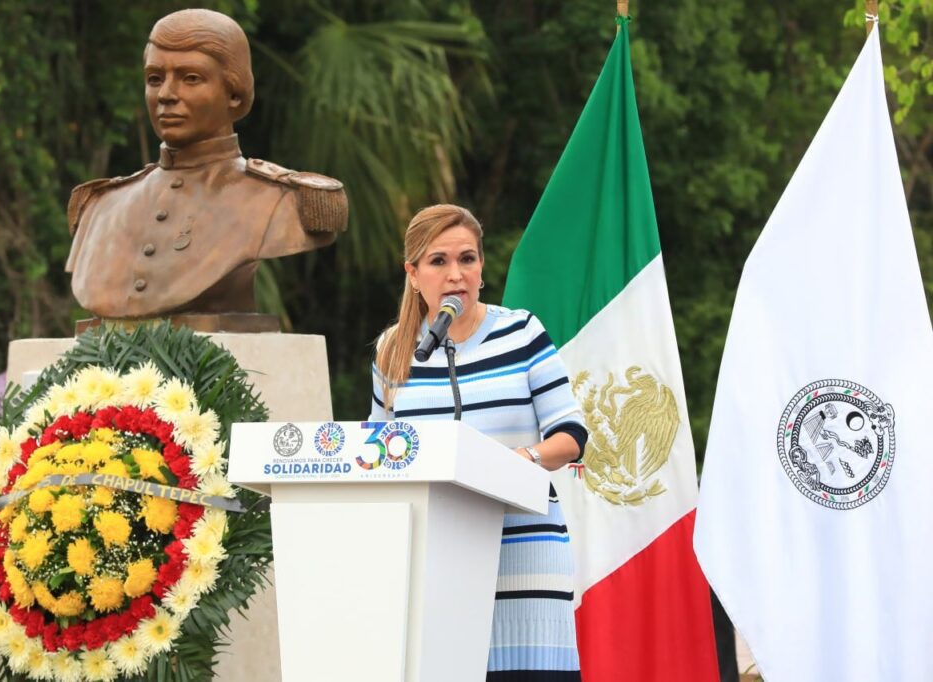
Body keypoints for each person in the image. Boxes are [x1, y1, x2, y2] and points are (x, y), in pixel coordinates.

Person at [370, 204, 587, 680]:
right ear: (413, 273)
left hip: (525, 553)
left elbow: (571, 436)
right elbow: (378, 453)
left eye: (467, 260)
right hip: (438, 558)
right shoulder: (393, 350)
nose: (455, 275)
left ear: (482, 268)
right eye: (439, 262)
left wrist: (519, 460)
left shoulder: (522, 332)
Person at [66, 8, 347, 320]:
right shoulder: (100, 206)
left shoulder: (283, 201)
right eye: (155, 78)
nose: (166, 94)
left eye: (191, 78)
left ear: (234, 95)